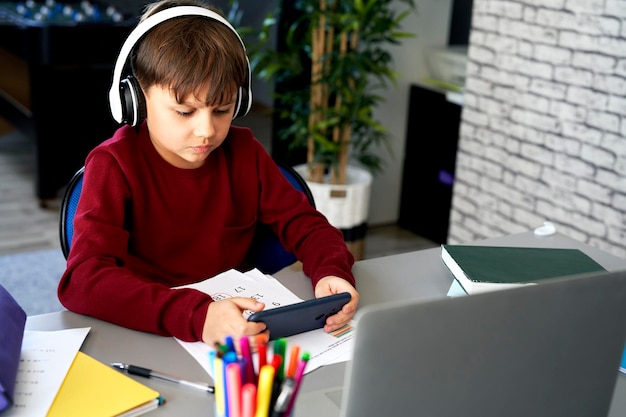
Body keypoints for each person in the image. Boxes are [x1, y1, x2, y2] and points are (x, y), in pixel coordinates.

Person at [57, 0, 359, 349]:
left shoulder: (244, 152)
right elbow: (81, 282)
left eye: (222, 109)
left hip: (237, 330)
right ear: (135, 98)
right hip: (147, 332)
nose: (207, 131)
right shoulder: (114, 166)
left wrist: (332, 271)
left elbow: (307, 226)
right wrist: (197, 316)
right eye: (184, 111)